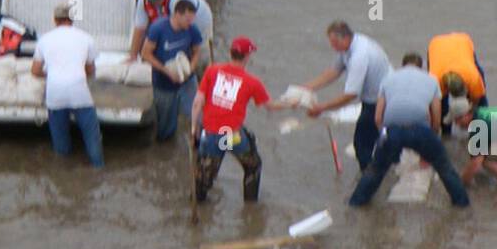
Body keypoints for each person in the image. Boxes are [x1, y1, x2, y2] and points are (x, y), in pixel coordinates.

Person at [348, 54, 470, 208]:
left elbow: (378, 117)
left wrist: (383, 135)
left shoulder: (388, 80)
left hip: (393, 130)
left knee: (375, 170)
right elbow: (436, 114)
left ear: (403, 65)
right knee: (445, 168)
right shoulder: (431, 80)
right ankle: (462, 204)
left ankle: (356, 204)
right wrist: (432, 136)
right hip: (421, 129)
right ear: (421, 67)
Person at [191, 36, 285, 202]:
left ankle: (198, 205)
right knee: (253, 165)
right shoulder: (252, 82)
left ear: (231, 53)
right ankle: (250, 204)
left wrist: (194, 129)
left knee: (204, 177)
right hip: (230, 135)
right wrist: (292, 103)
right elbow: (270, 106)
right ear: (247, 57)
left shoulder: (212, 70)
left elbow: (198, 102)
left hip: (210, 134)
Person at [304, 21, 391, 170]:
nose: (333, 47)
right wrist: (305, 89)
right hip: (375, 96)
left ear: (344, 38)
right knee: (374, 135)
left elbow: (350, 94)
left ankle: (369, 176)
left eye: (334, 43)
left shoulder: (359, 56)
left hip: (381, 99)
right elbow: (334, 71)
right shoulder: (349, 47)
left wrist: (322, 108)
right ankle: (384, 160)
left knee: (361, 143)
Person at [31, 3, 102, 166]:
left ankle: (64, 176)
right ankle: (98, 168)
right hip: (80, 93)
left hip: (55, 95)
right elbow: (90, 70)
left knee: (61, 146)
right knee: (93, 141)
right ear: (72, 20)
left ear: (55, 20)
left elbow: (35, 71)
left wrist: (51, 73)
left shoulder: (44, 39)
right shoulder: (86, 38)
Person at [141, 0, 203, 141]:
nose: (190, 23)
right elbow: (145, 54)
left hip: (187, 79)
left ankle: (199, 141)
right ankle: (165, 146)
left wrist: (190, 69)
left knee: (197, 112)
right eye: (187, 19)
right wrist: (166, 71)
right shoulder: (158, 28)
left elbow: (197, 51)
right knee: (165, 122)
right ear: (176, 14)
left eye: (192, 19)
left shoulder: (192, 29)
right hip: (163, 81)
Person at [126, 0, 213, 62]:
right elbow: (139, 28)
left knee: (194, 55)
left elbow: (179, 30)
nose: (157, 2)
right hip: (176, 20)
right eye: (153, 0)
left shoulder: (177, 0)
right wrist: (133, 55)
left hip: (199, 18)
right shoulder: (143, 1)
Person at [426, 31, 489, 138]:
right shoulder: (434, 79)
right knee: (441, 103)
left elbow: (476, 101)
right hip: (436, 47)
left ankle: (483, 129)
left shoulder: (473, 78)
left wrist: (469, 114)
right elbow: (435, 107)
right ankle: (446, 134)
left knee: (481, 99)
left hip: (462, 43)